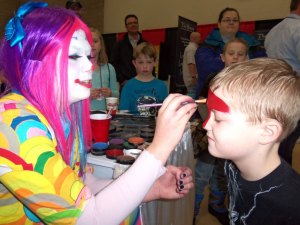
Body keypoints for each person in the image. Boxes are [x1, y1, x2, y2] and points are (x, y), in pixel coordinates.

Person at [0, 2, 196, 225]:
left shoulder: (62, 114)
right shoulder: (13, 125)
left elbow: (82, 183)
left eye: (89, 57)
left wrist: (152, 188)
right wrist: (159, 147)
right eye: (74, 56)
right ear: (34, 61)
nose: (89, 67)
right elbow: (87, 220)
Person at [203, 57, 300, 224]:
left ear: (267, 131)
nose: (205, 125)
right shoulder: (232, 165)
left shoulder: (290, 207)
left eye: (218, 118)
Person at [193, 38, 248, 225]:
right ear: (222, 57)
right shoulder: (212, 79)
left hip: (233, 140)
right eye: (231, 53)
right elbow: (200, 102)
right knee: (201, 174)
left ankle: (216, 205)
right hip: (210, 138)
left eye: (240, 54)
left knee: (224, 174)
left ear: (246, 58)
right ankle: (194, 209)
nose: (235, 57)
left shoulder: (249, 84)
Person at [194, 7, 266, 99]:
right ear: (219, 24)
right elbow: (207, 69)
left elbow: (263, 65)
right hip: (214, 94)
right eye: (227, 20)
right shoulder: (206, 46)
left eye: (235, 20)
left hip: (246, 95)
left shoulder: (253, 43)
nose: (231, 22)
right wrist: (244, 65)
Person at [264, 0, 300, 165]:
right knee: (289, 141)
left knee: (279, 139)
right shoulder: (298, 29)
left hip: (276, 92)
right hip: (295, 91)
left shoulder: (273, 31)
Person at [119, 42, 168, 116]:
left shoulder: (162, 86)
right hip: (133, 127)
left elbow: (165, 113)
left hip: (155, 126)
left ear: (155, 62)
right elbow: (123, 113)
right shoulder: (128, 86)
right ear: (134, 63)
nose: (145, 66)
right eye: (141, 62)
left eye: (149, 62)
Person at [110, 14, 148, 90]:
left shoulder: (146, 44)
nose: (133, 25)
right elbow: (113, 65)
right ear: (126, 27)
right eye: (130, 23)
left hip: (144, 83)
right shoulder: (119, 45)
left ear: (138, 24)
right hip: (126, 84)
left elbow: (150, 62)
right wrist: (122, 80)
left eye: (135, 22)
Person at [89, 27, 119, 111]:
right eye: (88, 41)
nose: (92, 44)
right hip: (83, 116)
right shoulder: (78, 68)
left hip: (104, 114)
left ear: (101, 44)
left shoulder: (110, 68)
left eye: (95, 41)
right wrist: (86, 96)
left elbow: (116, 94)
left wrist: (110, 93)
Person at [182, 31, 201, 99]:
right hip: (192, 81)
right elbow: (191, 63)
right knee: (193, 101)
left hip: (192, 80)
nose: (200, 39)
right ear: (194, 38)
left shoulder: (192, 48)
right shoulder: (192, 49)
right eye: (199, 37)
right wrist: (194, 77)